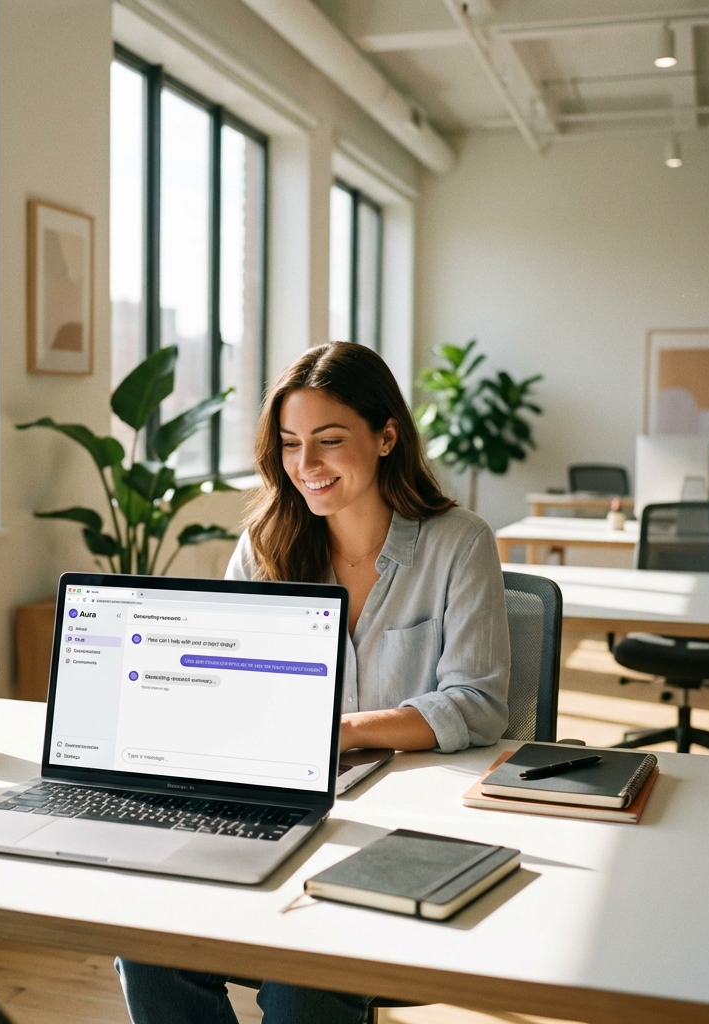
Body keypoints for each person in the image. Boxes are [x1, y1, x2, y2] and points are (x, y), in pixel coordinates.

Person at [116, 342, 510, 1024]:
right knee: (146, 943)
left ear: (388, 436)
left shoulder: (457, 542)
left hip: (402, 829)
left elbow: (475, 704)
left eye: (329, 441)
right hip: (272, 813)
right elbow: (224, 688)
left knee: (304, 981)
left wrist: (336, 734)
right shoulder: (266, 542)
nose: (306, 466)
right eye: (291, 444)